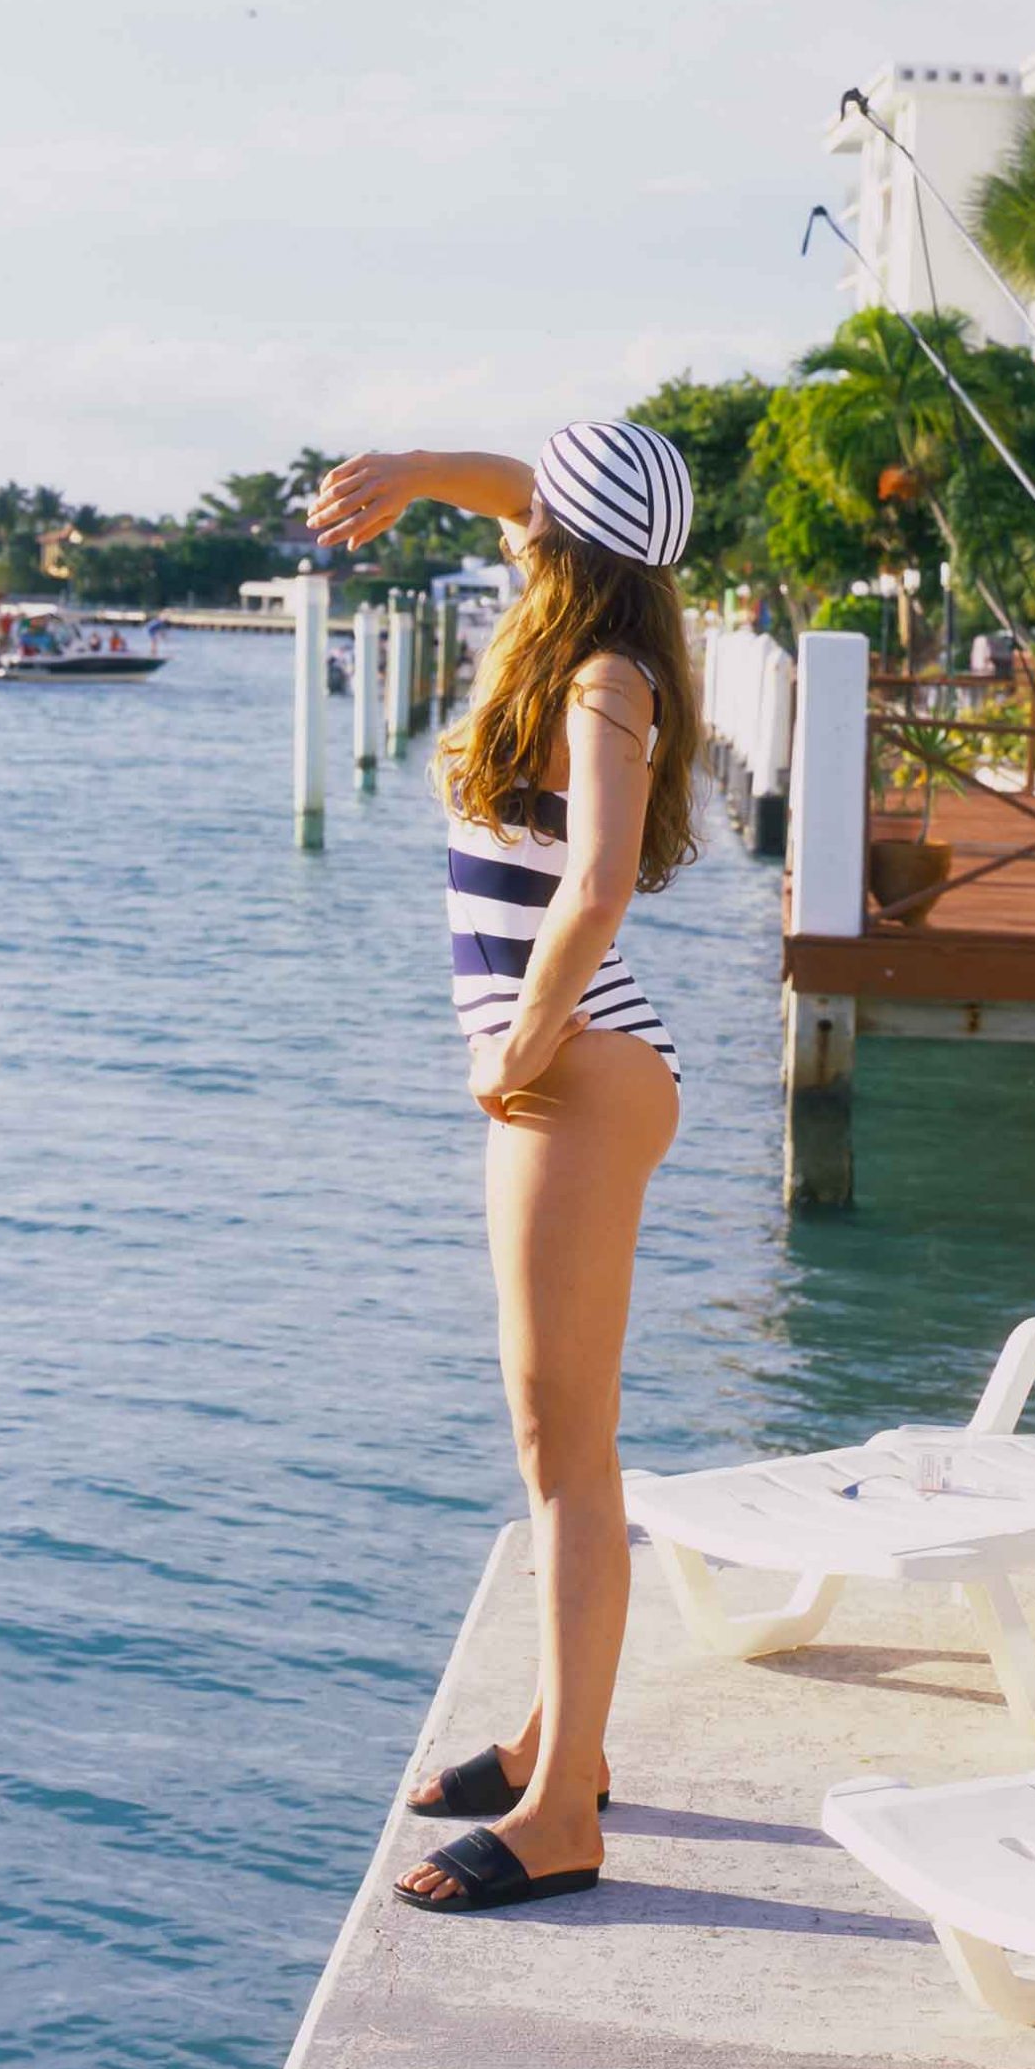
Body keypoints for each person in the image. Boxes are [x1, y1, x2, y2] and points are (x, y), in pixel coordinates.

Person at [311, 424, 697, 1917]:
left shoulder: (603, 680)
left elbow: (597, 882)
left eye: (533, 514)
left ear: (564, 545)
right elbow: (524, 496)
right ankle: (558, 1741)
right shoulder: (592, 647)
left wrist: (519, 1046)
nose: (511, 526)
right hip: (575, 1075)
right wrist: (411, 469)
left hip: (576, 1075)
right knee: (558, 1443)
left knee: (565, 1451)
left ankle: (562, 1815)